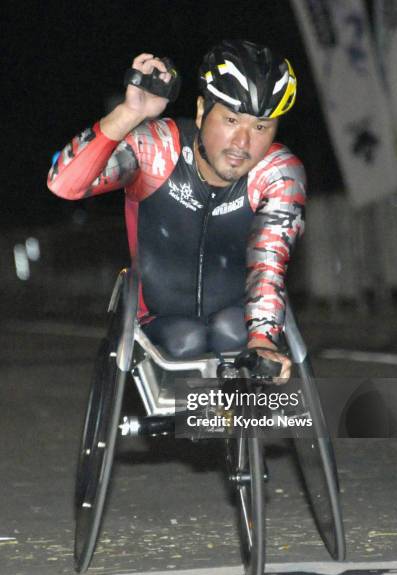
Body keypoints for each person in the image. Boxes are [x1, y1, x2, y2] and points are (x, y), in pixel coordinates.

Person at [47, 40, 306, 380]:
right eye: (230, 119)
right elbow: (64, 183)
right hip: (160, 321)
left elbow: (268, 263)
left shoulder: (277, 172)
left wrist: (262, 339)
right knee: (187, 338)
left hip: (236, 317)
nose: (243, 144)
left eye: (260, 127)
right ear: (201, 111)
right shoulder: (156, 148)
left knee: (232, 331)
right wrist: (131, 112)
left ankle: (233, 420)